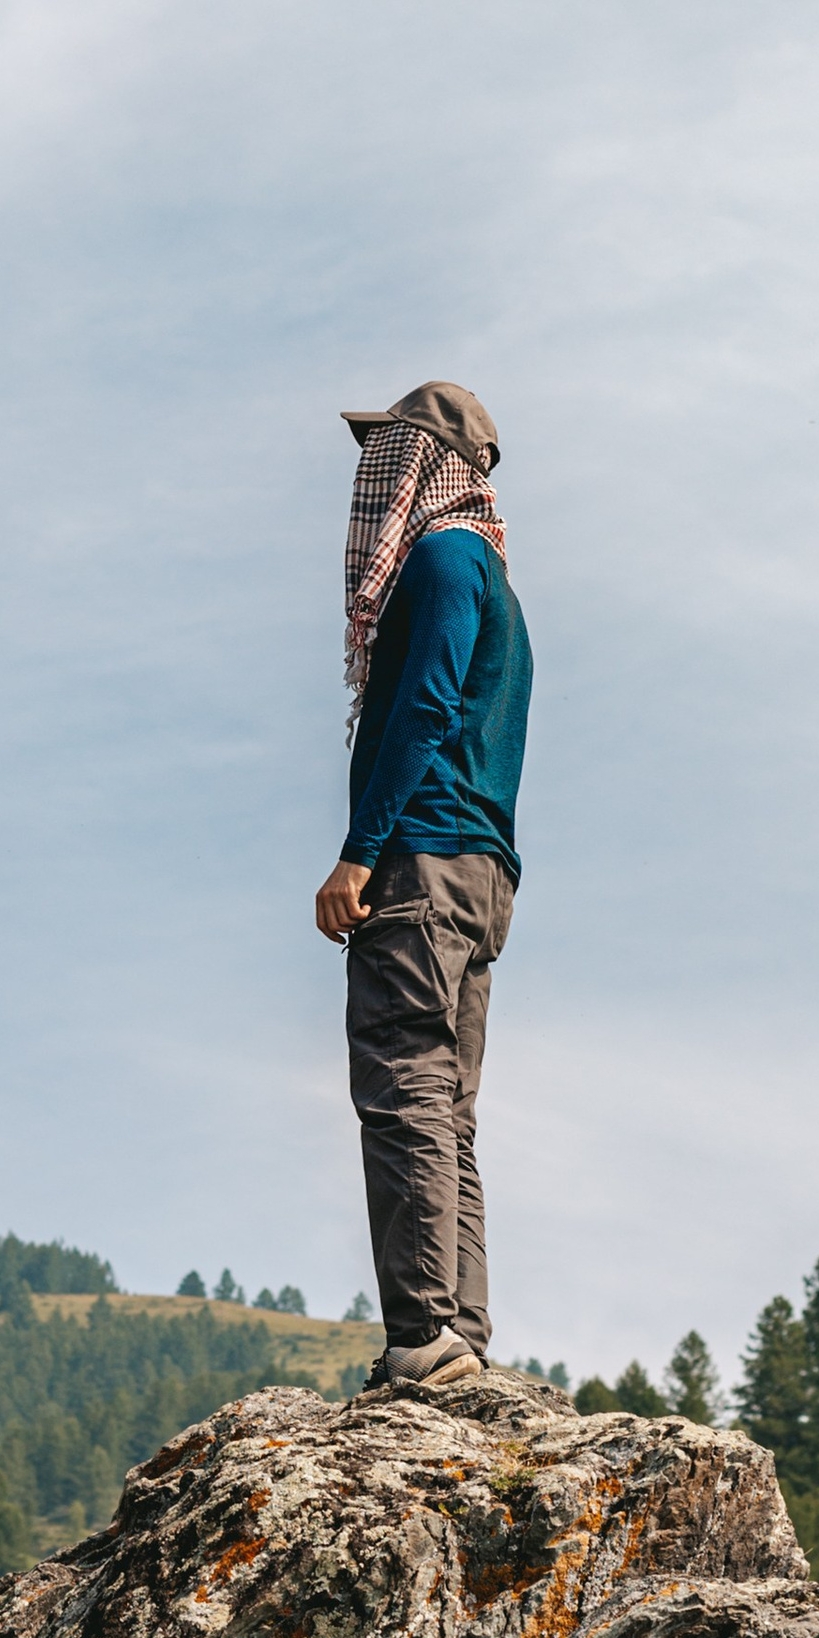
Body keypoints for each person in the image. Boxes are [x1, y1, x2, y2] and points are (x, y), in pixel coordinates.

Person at [315, 381, 534, 1394]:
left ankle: (422, 1340)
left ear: (421, 465)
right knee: (445, 1107)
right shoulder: (494, 577)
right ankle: (458, 1339)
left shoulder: (444, 562)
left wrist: (360, 852)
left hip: (423, 861)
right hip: (480, 871)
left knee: (403, 1087)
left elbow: (425, 711)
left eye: (386, 454)